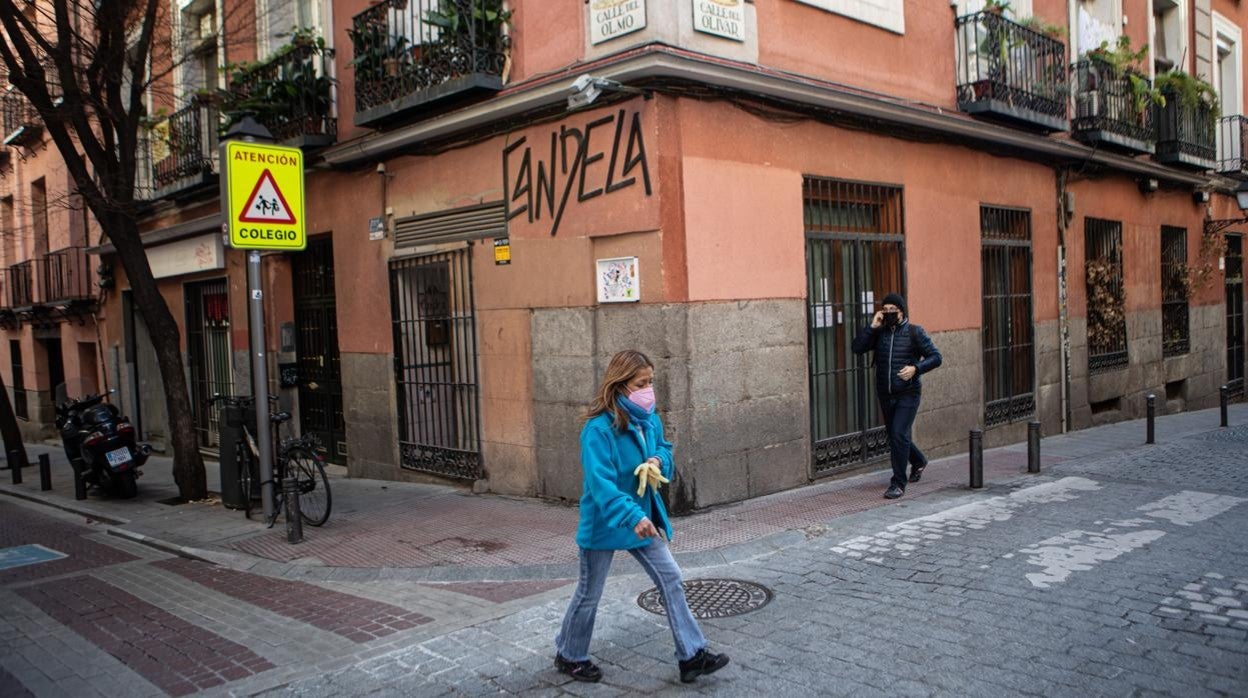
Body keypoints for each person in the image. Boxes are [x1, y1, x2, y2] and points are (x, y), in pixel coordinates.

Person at [554, 350, 730, 685]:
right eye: (641, 383)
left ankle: (692, 655)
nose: (648, 389)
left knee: (671, 577)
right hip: (607, 521)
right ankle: (569, 654)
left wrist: (657, 461)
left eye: (651, 382)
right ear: (620, 385)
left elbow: (664, 447)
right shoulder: (597, 430)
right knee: (590, 592)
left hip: (642, 518)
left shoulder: (648, 418)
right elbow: (601, 485)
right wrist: (631, 515)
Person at [851, 293, 942, 500]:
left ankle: (898, 483)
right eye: (885, 309)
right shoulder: (880, 333)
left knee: (899, 434)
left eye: (893, 309)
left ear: (901, 312)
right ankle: (918, 461)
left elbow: (936, 357)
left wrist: (916, 368)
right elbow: (857, 348)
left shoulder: (914, 332)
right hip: (886, 393)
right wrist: (872, 326)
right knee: (895, 435)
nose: (889, 313)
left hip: (908, 393)